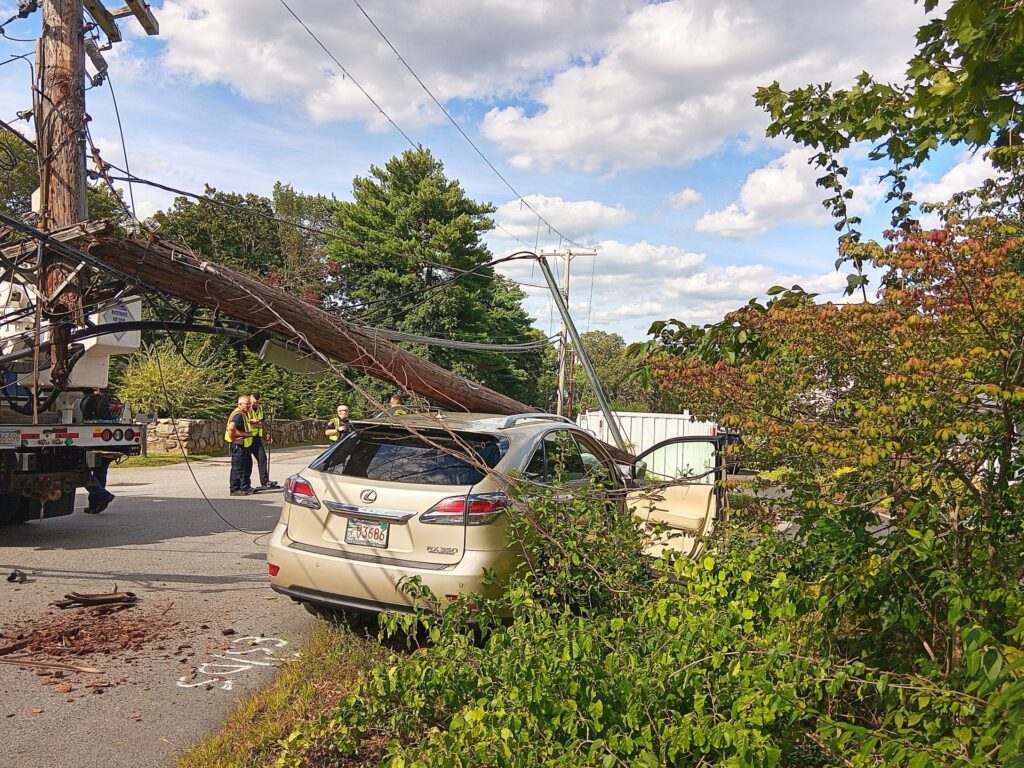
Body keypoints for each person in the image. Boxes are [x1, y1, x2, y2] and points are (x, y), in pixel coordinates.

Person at [85, 389, 122, 514]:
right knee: (100, 471)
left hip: (95, 441)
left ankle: (100, 495)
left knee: (81, 470)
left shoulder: (93, 405)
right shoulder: (111, 404)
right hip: (109, 441)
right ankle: (95, 503)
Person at [226, 395, 255, 496]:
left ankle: (244, 486)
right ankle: (235, 489)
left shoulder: (243, 413)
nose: (248, 406)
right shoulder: (238, 415)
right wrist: (235, 439)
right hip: (239, 446)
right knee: (237, 467)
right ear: (240, 404)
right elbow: (231, 428)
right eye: (246, 404)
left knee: (246, 466)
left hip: (245, 445)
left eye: (249, 404)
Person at [249, 393, 277, 490]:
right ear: (250, 399)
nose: (255, 404)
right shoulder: (246, 408)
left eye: (257, 402)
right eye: (254, 402)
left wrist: (267, 434)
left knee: (263, 458)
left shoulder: (260, 408)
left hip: (257, 437)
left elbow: (263, 422)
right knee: (247, 462)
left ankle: (265, 482)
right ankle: (244, 485)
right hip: (247, 438)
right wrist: (253, 422)